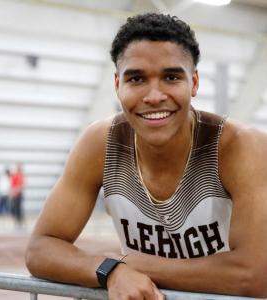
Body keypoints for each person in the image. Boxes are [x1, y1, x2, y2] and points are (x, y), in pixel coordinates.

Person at [25, 13, 267, 299]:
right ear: (118, 85)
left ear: (194, 83)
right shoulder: (100, 143)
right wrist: (110, 271)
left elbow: (255, 275)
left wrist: (130, 264)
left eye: (171, 77)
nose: (154, 96)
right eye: (137, 78)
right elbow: (40, 248)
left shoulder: (241, 146)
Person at [10, 163, 25, 228]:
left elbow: (22, 186)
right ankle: (16, 222)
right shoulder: (15, 176)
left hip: (19, 195)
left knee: (19, 210)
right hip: (14, 195)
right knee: (13, 209)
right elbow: (12, 185)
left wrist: (17, 190)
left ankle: (20, 223)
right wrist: (13, 192)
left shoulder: (21, 176)